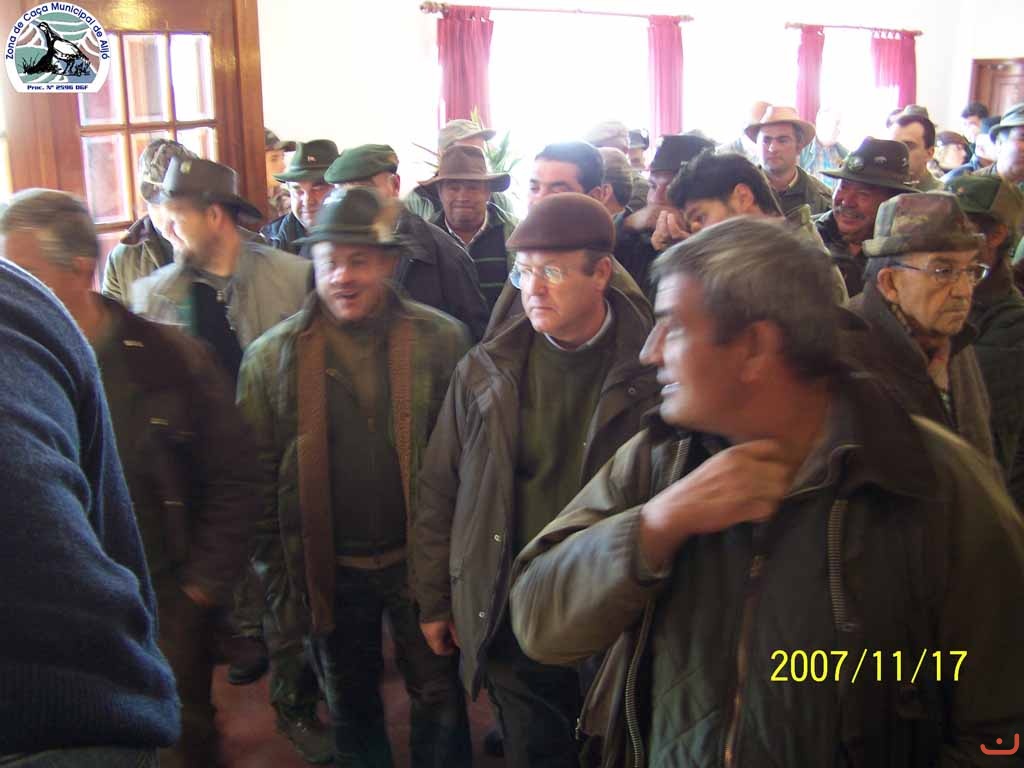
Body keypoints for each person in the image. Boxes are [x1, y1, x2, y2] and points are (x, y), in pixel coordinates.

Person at [509, 217, 1024, 768]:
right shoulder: (661, 461)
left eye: (672, 327)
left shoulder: (927, 480)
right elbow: (539, 623)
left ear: (754, 346)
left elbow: (999, 726)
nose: (650, 352)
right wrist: (657, 524)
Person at [0, 188, 260, 768]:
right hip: (55, 624)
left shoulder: (169, 359)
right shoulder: (16, 375)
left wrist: (199, 589)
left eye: (25, 276)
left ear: (80, 270)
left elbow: (237, 479)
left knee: (177, 747)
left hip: (164, 605)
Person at [413, 193, 658, 768]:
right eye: (524, 272)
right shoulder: (486, 370)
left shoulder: (653, 372)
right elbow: (440, 487)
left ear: (602, 273)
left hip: (612, 613)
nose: (534, 290)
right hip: (510, 609)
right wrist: (434, 599)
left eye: (552, 272)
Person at [238, 186, 472, 768]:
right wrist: (280, 587)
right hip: (330, 569)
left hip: (421, 564)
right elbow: (258, 487)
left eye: (359, 260)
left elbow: (466, 466)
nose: (342, 276)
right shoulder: (271, 358)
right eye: (330, 261)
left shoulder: (441, 341)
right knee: (350, 704)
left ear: (389, 264)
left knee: (439, 695)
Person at [0, 258, 179, 767]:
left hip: (89, 706)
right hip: (118, 672)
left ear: (81, 271)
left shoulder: (25, 311)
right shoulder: (32, 306)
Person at [843, 192, 996, 463]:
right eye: (943, 271)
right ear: (890, 283)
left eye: (971, 270)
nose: (964, 291)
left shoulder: (953, 340)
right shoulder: (845, 355)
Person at [131, 157, 312, 382]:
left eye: (177, 219)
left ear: (214, 216)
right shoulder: (153, 299)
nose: (168, 232)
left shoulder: (293, 281)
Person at [485, 141, 652, 338]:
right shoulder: (528, 257)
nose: (540, 201)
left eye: (557, 191)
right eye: (534, 188)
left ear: (595, 196)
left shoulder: (620, 296)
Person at [326, 143, 490, 340]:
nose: (355, 204)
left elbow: (473, 341)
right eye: (344, 193)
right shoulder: (323, 256)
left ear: (395, 185)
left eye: (365, 190)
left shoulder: (445, 255)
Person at [659, 150, 848, 304]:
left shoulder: (795, 267)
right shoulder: (771, 253)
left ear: (743, 197)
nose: (697, 233)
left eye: (701, 217)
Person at [947, 174, 1024, 505]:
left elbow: (969, 414)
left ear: (996, 235)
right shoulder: (931, 289)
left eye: (959, 225)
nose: (943, 234)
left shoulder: (1012, 322)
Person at [416, 144, 517, 311]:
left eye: (473, 187)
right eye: (454, 188)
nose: (463, 196)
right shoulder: (422, 240)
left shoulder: (515, 235)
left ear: (488, 192)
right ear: (440, 192)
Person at [814, 137, 919, 296]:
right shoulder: (807, 237)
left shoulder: (907, 257)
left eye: (863, 194)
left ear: (892, 202)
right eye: (843, 187)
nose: (847, 202)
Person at [614, 133, 714, 291]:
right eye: (653, 186)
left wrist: (689, 252)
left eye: (671, 187)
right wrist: (626, 223)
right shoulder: (638, 239)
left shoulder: (728, 249)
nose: (656, 199)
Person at [103, 138, 196, 305]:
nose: (168, 209)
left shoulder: (230, 244)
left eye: (178, 195)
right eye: (158, 196)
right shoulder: (122, 259)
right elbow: (111, 320)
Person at [746, 105, 832, 216]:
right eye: (766, 140)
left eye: (782, 140)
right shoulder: (738, 191)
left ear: (799, 146)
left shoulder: (821, 198)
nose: (773, 148)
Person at [261, 139, 339, 256]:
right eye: (298, 190)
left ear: (340, 188)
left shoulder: (364, 235)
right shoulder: (270, 243)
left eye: (318, 188)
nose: (307, 200)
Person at [888, 105, 942, 191]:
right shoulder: (880, 190)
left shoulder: (940, 196)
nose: (897, 154)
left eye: (907, 147)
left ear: (929, 153)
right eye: (893, 146)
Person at [799, 107, 848, 189]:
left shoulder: (845, 154)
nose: (839, 129)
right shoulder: (801, 150)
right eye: (837, 123)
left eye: (840, 124)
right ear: (822, 124)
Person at [266, 128, 296, 218]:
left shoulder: (292, 200)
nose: (283, 166)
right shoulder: (242, 206)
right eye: (274, 159)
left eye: (282, 157)